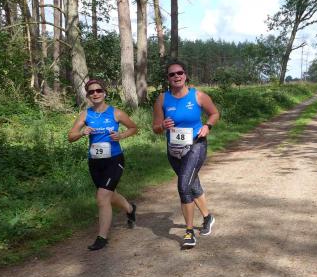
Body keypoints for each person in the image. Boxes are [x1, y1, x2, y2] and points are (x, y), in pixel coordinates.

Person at [152, 61, 220, 249]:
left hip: (196, 145)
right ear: (168, 78)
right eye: (172, 74)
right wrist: (162, 126)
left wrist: (207, 126)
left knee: (183, 186)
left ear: (185, 74)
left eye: (179, 73)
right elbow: (155, 128)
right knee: (192, 184)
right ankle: (208, 217)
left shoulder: (198, 96)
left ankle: (189, 233)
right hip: (174, 149)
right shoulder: (162, 99)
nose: (176, 76)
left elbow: (214, 113)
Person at [68, 79, 139, 251]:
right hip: (95, 162)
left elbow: (133, 128)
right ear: (88, 96)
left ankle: (102, 237)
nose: (95, 94)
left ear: (104, 93)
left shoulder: (116, 113)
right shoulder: (85, 115)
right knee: (109, 195)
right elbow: (71, 136)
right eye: (91, 92)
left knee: (102, 197)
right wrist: (82, 132)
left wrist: (121, 136)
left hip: (114, 160)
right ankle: (130, 209)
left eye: (98, 90)